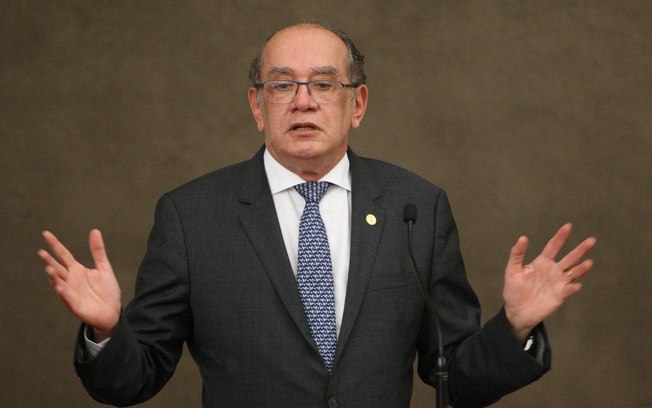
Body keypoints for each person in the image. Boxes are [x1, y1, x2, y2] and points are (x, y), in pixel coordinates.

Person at [38, 23, 596, 408]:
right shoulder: (192, 215)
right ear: (257, 106)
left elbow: (455, 378)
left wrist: (514, 328)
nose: (302, 100)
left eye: (324, 84)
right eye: (282, 85)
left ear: (358, 104)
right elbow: (133, 380)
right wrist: (106, 331)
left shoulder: (416, 207)